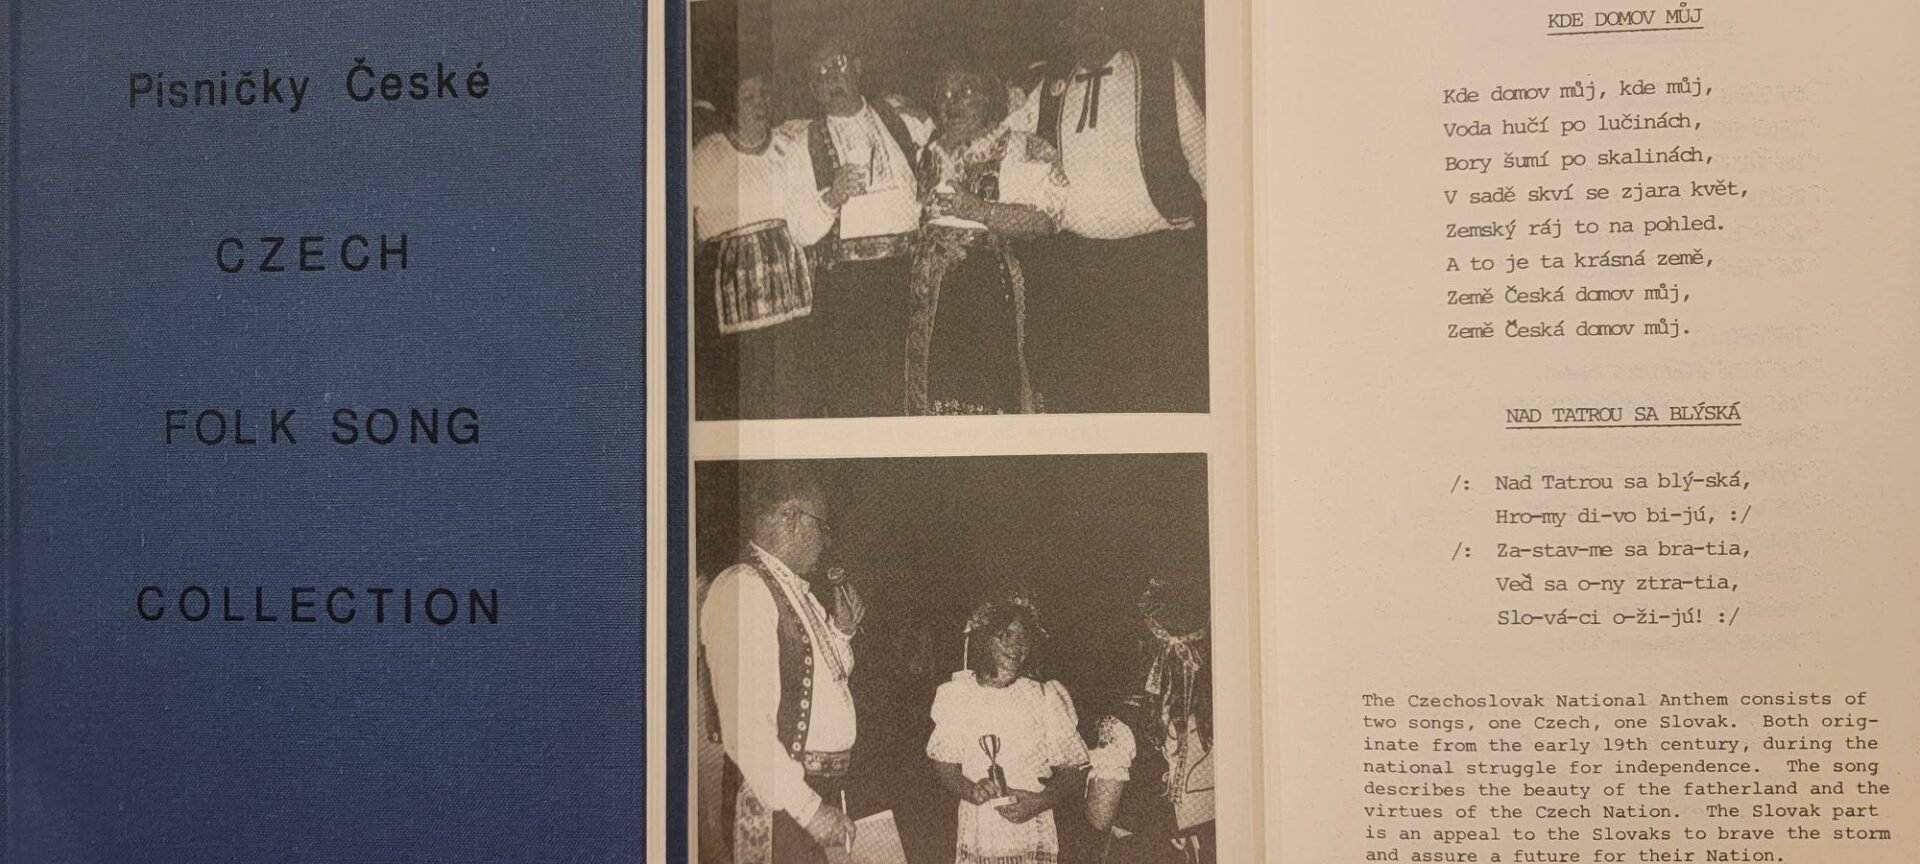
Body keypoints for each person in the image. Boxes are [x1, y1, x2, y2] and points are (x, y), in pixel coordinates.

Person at [1008, 0, 1209, 414]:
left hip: (1155, 262)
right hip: (1078, 268)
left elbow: (1205, 156)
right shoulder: (1050, 86)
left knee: (1156, 391)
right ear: (1064, 27)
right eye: (1074, 17)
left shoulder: (1158, 71)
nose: (1087, 25)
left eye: (1095, 12)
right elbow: (1000, 136)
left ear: (1113, 15)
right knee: (1087, 391)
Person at [701, 463, 867, 863]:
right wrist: (810, 809)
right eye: (822, 527)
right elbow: (745, 725)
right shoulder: (744, 587)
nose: (826, 542)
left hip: (812, 793)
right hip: (780, 804)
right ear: (791, 518)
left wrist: (842, 632)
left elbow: (829, 677)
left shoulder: (796, 592)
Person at [908, 59, 1069, 415]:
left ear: (991, 97)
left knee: (984, 399)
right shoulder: (925, 152)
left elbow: (1048, 219)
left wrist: (979, 211)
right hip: (925, 302)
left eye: (966, 90)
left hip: (986, 298)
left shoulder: (1018, 147)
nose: (953, 102)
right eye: (945, 94)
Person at [787, 35, 934, 417]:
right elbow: (800, 230)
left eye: (836, 66)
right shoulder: (802, 141)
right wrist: (832, 197)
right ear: (811, 89)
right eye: (817, 75)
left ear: (858, 65)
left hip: (910, 277)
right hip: (848, 289)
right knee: (853, 396)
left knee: (909, 388)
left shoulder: (903, 118)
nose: (829, 79)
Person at [691, 65, 836, 419]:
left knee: (789, 401)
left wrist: (831, 200)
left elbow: (805, 229)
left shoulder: (789, 148)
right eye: (748, 96)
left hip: (790, 307)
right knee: (735, 403)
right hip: (726, 310)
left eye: (764, 94)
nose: (760, 103)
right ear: (731, 103)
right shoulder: (706, 155)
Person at [928, 590, 1089, 864]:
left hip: (1030, 836)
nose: (1017, 646)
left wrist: (1040, 802)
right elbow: (944, 765)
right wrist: (970, 790)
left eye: (1024, 638)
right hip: (979, 835)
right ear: (984, 639)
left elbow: (1075, 772)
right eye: (1007, 635)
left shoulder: (1043, 696)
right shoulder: (957, 695)